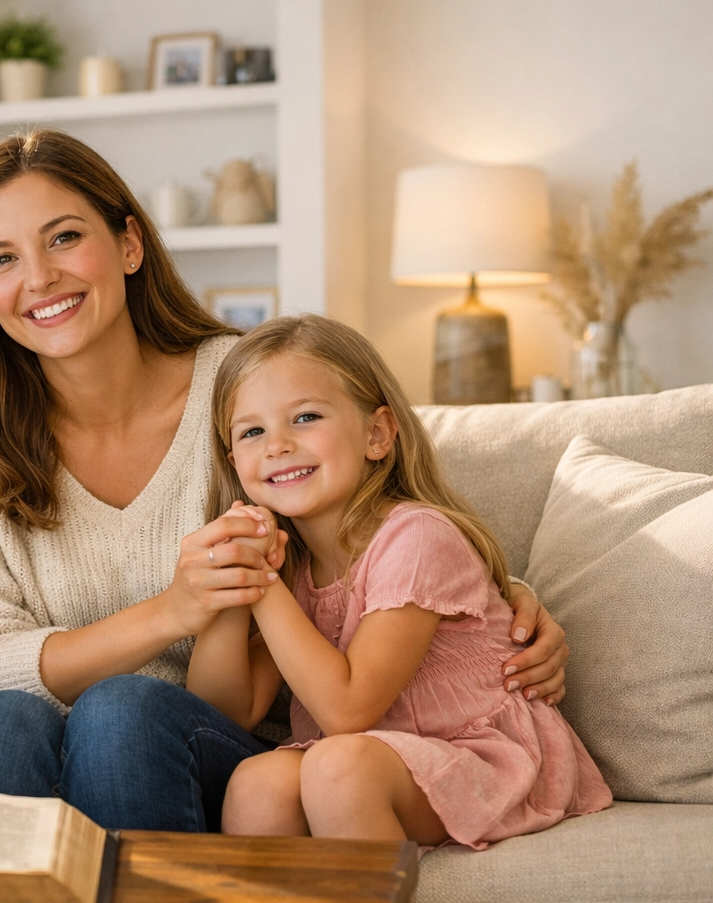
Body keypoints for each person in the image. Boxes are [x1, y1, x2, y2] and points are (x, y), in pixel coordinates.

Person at [0, 128, 573, 832]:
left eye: (65, 238)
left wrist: (505, 594)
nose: (40, 277)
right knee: (1, 722)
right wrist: (170, 613)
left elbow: (364, 528)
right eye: (2, 259)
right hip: (34, 740)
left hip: (207, 744)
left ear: (130, 245)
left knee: (120, 709)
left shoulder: (241, 387)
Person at [196, 316, 610, 846]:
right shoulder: (290, 562)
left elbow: (348, 711)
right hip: (370, 758)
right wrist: (235, 580)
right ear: (234, 461)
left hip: (479, 754)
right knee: (257, 782)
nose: (276, 445)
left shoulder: (415, 537)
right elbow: (224, 712)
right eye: (252, 431)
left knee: (338, 769)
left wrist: (265, 582)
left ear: (377, 434)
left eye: (305, 417)